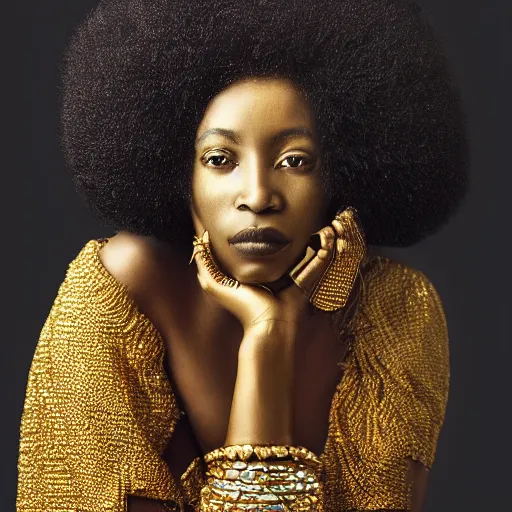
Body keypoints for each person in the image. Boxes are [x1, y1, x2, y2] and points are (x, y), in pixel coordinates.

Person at [17, 0, 468, 511]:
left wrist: (268, 339)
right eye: (219, 159)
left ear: (340, 174)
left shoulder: (397, 310)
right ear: (179, 176)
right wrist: (267, 339)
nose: (258, 196)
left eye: (295, 161)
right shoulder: (118, 292)